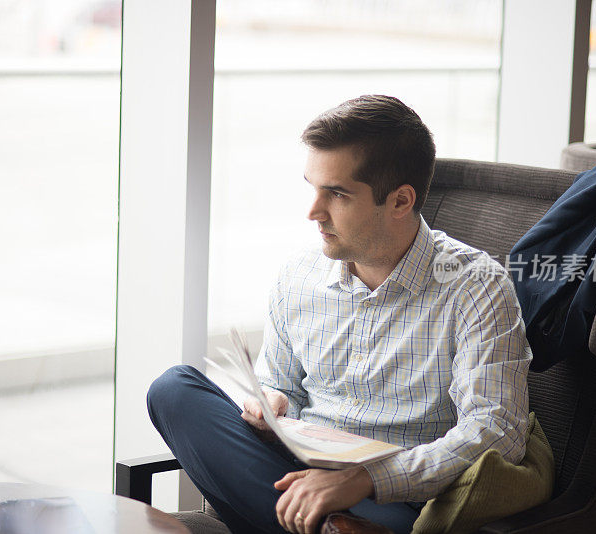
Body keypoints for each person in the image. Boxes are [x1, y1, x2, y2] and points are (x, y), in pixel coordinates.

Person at [147, 95, 532, 534]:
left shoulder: (476, 286)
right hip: (292, 469)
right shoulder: (299, 275)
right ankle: (320, 526)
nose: (313, 212)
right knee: (174, 390)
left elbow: (498, 432)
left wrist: (365, 479)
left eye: (337, 194)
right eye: (313, 188)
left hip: (386, 499)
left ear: (401, 201)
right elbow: (279, 381)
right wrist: (270, 403)